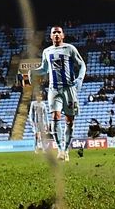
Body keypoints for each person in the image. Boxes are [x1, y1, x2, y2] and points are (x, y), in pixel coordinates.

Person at [28, 25, 86, 161]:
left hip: (69, 89)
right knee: (55, 117)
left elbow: (82, 65)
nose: (56, 34)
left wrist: (80, 79)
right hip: (53, 89)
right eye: (54, 32)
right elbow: (44, 69)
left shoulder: (70, 49)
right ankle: (60, 150)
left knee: (69, 121)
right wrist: (33, 71)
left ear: (63, 35)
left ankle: (66, 149)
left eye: (59, 32)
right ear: (50, 36)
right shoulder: (47, 51)